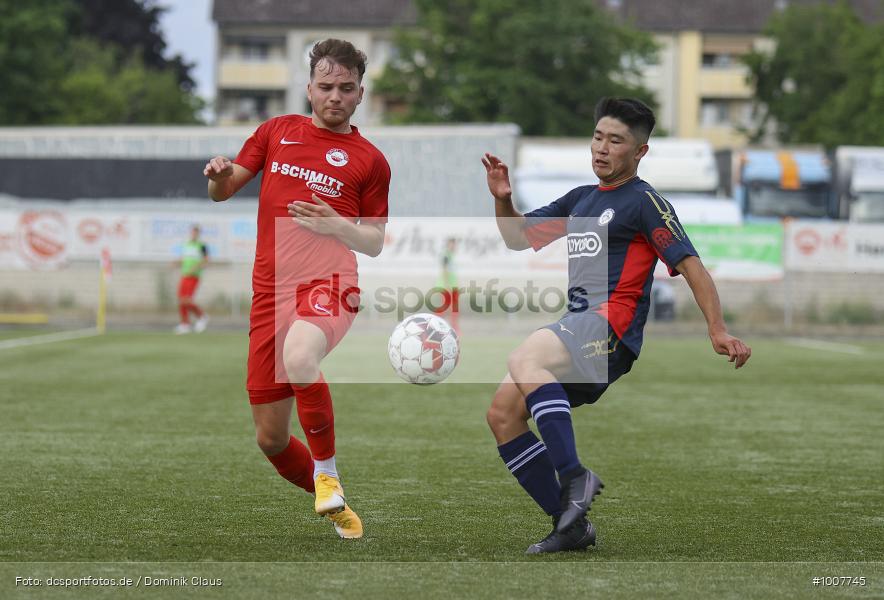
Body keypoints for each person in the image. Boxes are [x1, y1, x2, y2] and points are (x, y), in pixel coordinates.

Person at [481, 97, 751, 554]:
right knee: (503, 415)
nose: (602, 148)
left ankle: (575, 477)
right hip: (579, 329)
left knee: (525, 356)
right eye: (598, 137)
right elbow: (516, 237)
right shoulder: (582, 199)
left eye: (616, 140)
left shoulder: (645, 202)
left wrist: (717, 329)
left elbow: (691, 266)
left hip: (611, 328)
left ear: (639, 151)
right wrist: (503, 200)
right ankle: (569, 527)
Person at [202, 39, 391, 539]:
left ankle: (327, 473)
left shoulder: (370, 161)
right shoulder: (276, 132)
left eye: (345, 88)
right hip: (270, 293)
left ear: (360, 94)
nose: (335, 96)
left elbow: (372, 242)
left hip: (331, 283)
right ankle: (333, 499)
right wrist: (218, 177)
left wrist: (337, 225)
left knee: (301, 355)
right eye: (326, 86)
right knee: (269, 438)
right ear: (308, 88)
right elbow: (223, 192)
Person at [174, 224, 209, 334]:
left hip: (194, 276)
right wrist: (177, 262)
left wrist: (197, 266)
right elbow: (185, 258)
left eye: (196, 232)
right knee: (181, 299)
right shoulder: (187, 244)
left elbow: (206, 260)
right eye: (192, 232)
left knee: (187, 299)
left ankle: (202, 316)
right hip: (185, 274)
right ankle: (185, 324)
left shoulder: (202, 245)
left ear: (198, 234)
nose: (193, 234)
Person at [433, 237, 460, 334]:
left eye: (455, 244)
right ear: (448, 244)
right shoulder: (446, 255)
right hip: (447, 287)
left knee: (453, 310)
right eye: (452, 244)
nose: (454, 246)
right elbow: (444, 270)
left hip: (452, 286)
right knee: (445, 310)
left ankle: (452, 328)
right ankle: (436, 327)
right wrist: (447, 285)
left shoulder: (451, 255)